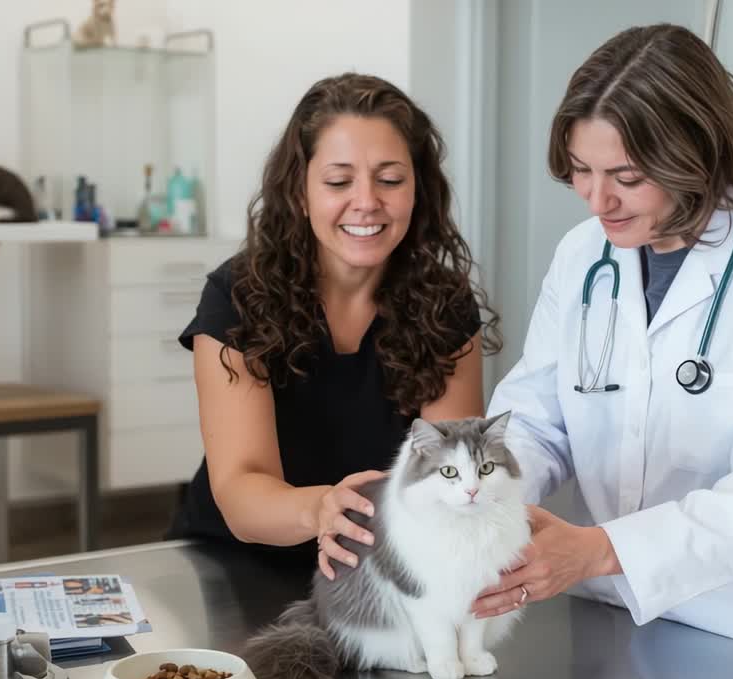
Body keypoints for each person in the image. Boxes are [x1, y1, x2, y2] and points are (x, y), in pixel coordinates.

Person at [472, 24, 733, 674]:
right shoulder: (582, 256)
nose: (597, 199)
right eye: (580, 170)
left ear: (697, 154)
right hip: (613, 622)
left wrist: (603, 549)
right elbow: (538, 422)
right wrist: (484, 508)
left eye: (626, 176)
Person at [166, 73, 500, 579]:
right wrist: (324, 508)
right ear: (300, 193)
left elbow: (451, 479)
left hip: (381, 568)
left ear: (419, 191)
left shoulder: (444, 304)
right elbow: (241, 489)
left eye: (390, 179)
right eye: (339, 181)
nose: (366, 202)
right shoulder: (238, 297)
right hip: (233, 565)